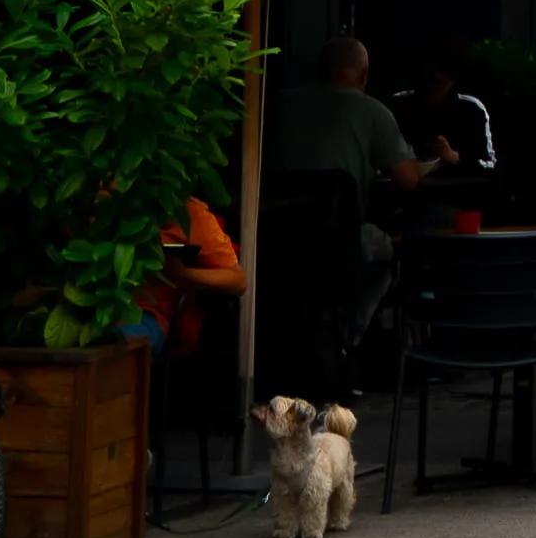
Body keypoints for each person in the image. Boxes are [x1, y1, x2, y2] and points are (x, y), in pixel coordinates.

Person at [268, 35, 434, 193]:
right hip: (342, 222)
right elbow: (408, 180)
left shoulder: (278, 102)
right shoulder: (374, 111)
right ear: (364, 75)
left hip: (276, 218)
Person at [133, 195, 242, 345]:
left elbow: (238, 281)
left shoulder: (191, 212)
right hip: (104, 310)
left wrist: (183, 272)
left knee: (119, 343)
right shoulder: (109, 197)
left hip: (149, 315)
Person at [391, 49, 497, 184]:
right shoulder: (399, 106)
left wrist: (454, 157)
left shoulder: (471, 110)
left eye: (439, 82)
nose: (432, 88)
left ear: (452, 80)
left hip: (457, 195)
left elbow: (490, 165)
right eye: (427, 79)